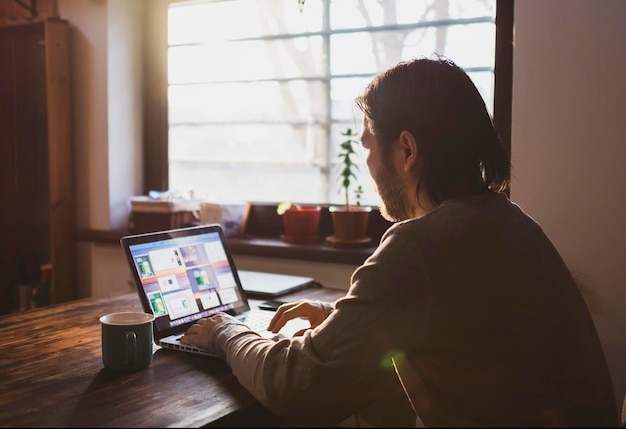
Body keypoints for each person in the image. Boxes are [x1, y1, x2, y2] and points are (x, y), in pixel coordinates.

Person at [181, 56, 618, 427]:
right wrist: (338, 318)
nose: (368, 164)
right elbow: (449, 318)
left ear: (406, 151)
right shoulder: (510, 222)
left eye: (370, 146)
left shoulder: (420, 245)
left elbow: (295, 384)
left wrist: (225, 331)